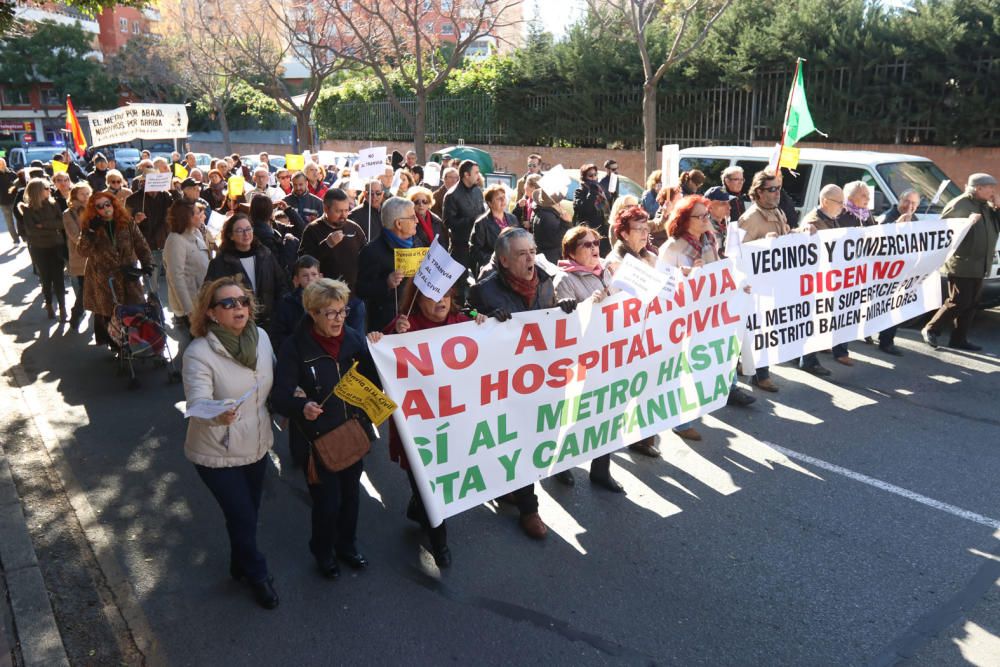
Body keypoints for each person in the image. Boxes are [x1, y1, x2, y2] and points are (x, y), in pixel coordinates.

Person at [468, 227, 577, 538]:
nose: (530, 259)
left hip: (542, 375)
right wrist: (484, 317)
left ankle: (509, 488)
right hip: (506, 381)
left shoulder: (545, 279)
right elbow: (466, 316)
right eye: (521, 254)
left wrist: (563, 307)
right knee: (518, 439)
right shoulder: (484, 291)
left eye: (532, 251)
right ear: (504, 260)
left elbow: (549, 312)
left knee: (538, 433)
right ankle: (530, 510)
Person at [271, 278, 380, 580]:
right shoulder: (295, 347)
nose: (338, 319)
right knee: (327, 503)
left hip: (353, 434)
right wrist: (300, 407)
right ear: (313, 313)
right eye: (330, 313)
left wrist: (382, 341)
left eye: (342, 311)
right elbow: (279, 395)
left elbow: (376, 378)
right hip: (318, 441)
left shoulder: (354, 339)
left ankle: (347, 545)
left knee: (351, 498)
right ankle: (323, 552)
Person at [182, 277, 278, 610]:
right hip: (216, 451)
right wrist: (217, 414)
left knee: (247, 513)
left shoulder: (262, 338)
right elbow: (197, 402)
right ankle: (258, 574)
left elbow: (275, 380)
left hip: (257, 443)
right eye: (228, 303)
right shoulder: (198, 353)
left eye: (242, 301)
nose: (239, 307)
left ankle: (240, 564)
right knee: (242, 515)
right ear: (210, 313)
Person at [384, 283, 488, 566]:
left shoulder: (463, 323)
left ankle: (418, 508)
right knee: (425, 481)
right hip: (419, 427)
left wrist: (485, 326)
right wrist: (391, 337)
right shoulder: (404, 326)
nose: (440, 301)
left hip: (454, 421)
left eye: (445, 294)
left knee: (442, 475)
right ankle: (438, 541)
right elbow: (380, 363)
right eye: (431, 296)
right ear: (417, 300)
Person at [658, 196, 757, 440]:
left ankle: (725, 390)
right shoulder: (672, 248)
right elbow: (664, 286)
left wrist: (737, 285)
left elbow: (721, 270)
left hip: (712, 313)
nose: (706, 219)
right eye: (700, 216)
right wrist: (689, 275)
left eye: (706, 215)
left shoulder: (709, 239)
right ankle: (681, 422)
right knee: (684, 368)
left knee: (719, 353)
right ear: (684, 220)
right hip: (686, 319)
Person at [550, 225, 625, 492]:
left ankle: (601, 470)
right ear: (571, 252)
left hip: (607, 354)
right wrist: (587, 306)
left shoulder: (606, 270)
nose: (595, 248)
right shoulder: (563, 279)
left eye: (596, 242)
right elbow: (564, 322)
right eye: (587, 245)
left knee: (606, 411)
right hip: (578, 360)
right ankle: (559, 465)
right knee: (571, 413)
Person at [922, 173, 1000, 351]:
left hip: (981, 264)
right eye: (990, 187)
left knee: (972, 303)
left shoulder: (987, 206)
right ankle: (931, 328)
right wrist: (967, 223)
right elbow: (944, 230)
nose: (993, 191)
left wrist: (998, 208)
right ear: (978, 188)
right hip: (961, 262)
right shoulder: (960, 204)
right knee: (959, 300)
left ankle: (959, 339)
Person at [77, 191, 153, 347]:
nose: (105, 208)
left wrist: (147, 263)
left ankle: (136, 341)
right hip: (103, 277)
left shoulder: (127, 222)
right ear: (94, 209)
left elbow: (141, 244)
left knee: (135, 308)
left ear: (113, 204)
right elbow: (83, 251)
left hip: (128, 274)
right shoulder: (90, 226)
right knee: (109, 312)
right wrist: (90, 232)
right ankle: (117, 345)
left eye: (108, 204)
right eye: (100, 206)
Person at [738, 170, 788, 393]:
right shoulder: (750, 219)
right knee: (758, 329)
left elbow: (786, 240)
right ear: (758, 192)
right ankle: (761, 374)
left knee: (766, 328)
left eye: (778, 188)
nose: (777, 193)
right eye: (772, 189)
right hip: (756, 285)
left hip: (774, 282)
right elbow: (739, 252)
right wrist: (761, 244)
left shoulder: (778, 212)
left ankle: (751, 367)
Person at [205, 213, 288, 335]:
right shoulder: (220, 262)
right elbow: (209, 295)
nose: (246, 234)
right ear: (230, 235)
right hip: (236, 327)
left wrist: (278, 313)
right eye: (239, 230)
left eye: (249, 229)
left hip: (269, 324)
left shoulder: (265, 254)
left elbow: (281, 284)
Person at [356, 196, 423, 332]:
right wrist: (386, 283)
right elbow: (361, 289)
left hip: (415, 317)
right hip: (386, 325)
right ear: (398, 224)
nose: (417, 220)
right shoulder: (372, 251)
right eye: (412, 217)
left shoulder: (417, 243)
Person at [298, 189, 368, 313]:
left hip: (353, 299)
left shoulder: (354, 228)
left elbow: (367, 257)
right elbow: (304, 263)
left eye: (346, 210)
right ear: (325, 208)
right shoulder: (312, 230)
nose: (343, 215)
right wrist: (327, 244)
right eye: (338, 211)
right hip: (326, 301)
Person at [20, 178, 67, 320]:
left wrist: (44, 225)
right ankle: (49, 304)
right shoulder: (28, 209)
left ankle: (63, 308)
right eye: (46, 188)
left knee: (59, 278)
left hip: (56, 246)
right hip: (39, 249)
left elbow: (62, 223)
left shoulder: (54, 204)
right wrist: (52, 228)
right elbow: (32, 231)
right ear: (37, 191)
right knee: (46, 278)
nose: (50, 190)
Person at [163, 201, 212, 331]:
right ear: (187, 217)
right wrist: (189, 310)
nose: (202, 215)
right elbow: (176, 278)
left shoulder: (197, 232)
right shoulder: (175, 240)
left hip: (204, 299)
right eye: (197, 213)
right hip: (191, 305)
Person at [126, 177, 174, 295]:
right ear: (143, 182)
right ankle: (153, 303)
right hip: (146, 244)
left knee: (173, 279)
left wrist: (173, 189)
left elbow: (180, 206)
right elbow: (124, 222)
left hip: (166, 243)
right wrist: (135, 220)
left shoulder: (166, 196)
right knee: (151, 280)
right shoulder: (133, 199)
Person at [271, 255, 321, 352]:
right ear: (297, 279)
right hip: (297, 352)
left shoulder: (328, 300)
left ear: (320, 276)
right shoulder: (287, 303)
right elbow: (278, 335)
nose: (310, 279)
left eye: (314, 274)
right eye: (305, 275)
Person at [442, 160, 485, 271]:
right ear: (466, 174)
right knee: (460, 284)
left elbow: (483, 212)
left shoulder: (477, 191)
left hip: (478, 245)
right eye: (476, 172)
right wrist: (472, 220)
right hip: (461, 248)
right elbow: (448, 222)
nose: (478, 175)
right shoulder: (452, 195)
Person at [62, 182, 92, 330]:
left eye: (88, 193)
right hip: (81, 255)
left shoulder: (96, 209)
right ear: (75, 195)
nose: (86, 197)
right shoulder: (68, 213)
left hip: (99, 254)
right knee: (85, 288)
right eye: (82, 194)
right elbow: (74, 235)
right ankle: (77, 313)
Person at [470, 184, 518, 275]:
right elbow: (475, 250)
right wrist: (496, 260)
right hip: (492, 269)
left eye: (503, 197)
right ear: (490, 203)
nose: (503, 200)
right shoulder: (481, 223)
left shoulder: (513, 218)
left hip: (512, 268)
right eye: (498, 198)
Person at [572, 163, 610, 253]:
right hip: (589, 233)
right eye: (590, 175)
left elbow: (607, 208)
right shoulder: (579, 192)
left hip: (603, 232)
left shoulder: (600, 189)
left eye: (595, 174)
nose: (593, 177)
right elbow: (584, 210)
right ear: (584, 177)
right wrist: (591, 193)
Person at [530, 187, 571, 266]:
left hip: (547, 257)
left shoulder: (543, 212)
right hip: (551, 259)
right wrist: (566, 223)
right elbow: (557, 240)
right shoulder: (548, 216)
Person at [0, 158, 19, 244]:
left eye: (2, 164)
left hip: (14, 200)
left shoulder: (12, 174)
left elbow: (18, 185)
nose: (1, 166)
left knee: (19, 219)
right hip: (3, 202)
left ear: (5, 164)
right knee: (9, 222)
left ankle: (23, 236)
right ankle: (15, 239)